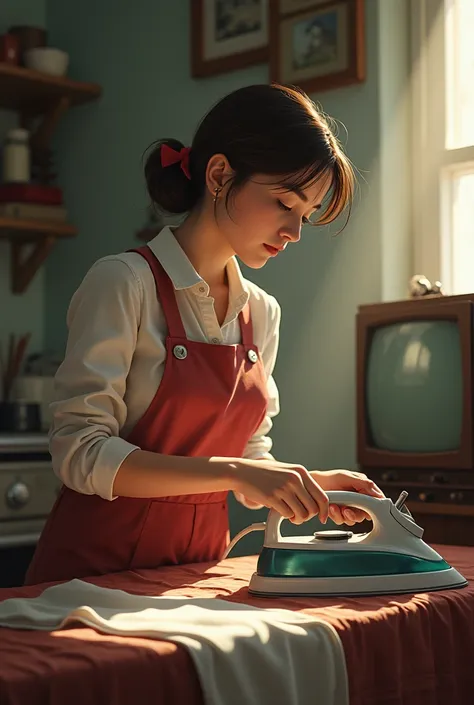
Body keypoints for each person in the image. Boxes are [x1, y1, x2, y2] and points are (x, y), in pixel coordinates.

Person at [25, 83, 383, 586]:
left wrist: (308, 485)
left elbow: (251, 453)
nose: (294, 232)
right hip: (89, 579)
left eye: (305, 216)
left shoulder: (261, 312)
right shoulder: (124, 283)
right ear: (219, 175)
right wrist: (234, 472)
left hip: (192, 576)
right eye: (284, 202)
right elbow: (80, 453)